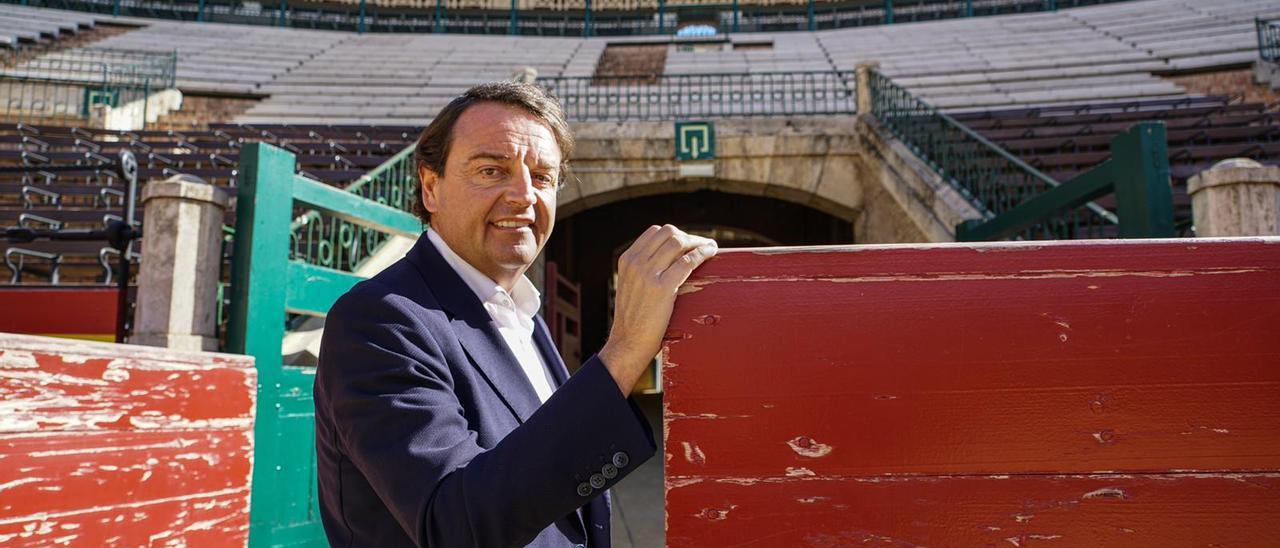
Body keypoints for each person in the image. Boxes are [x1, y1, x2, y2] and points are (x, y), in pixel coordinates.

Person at [313, 82, 717, 547]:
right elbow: (454, 525)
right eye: (492, 170)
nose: (524, 194)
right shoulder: (378, 321)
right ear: (431, 188)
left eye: (543, 177)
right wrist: (625, 351)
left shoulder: (523, 314)